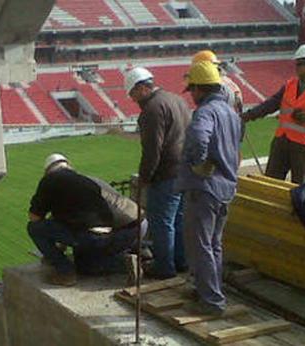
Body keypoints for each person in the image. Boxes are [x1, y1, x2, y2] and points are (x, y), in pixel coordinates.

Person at [178, 61, 242, 315]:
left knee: (200, 246)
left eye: (192, 90)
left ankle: (211, 301)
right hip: (226, 188)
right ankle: (211, 291)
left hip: (205, 189)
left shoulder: (205, 112)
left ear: (199, 88)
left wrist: (197, 163)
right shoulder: (230, 112)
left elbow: (198, 137)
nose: (191, 96)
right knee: (214, 245)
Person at [27, 154, 142, 286]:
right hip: (109, 235)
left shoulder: (49, 181)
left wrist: (53, 251)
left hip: (88, 236)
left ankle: (65, 273)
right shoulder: (86, 181)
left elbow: (34, 217)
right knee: (85, 266)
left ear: (47, 171)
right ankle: (130, 262)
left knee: (34, 228)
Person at [125, 67, 191, 279]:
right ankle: (181, 262)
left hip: (166, 175)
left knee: (162, 223)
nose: (132, 99)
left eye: (133, 94)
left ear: (142, 88)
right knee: (178, 220)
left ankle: (165, 268)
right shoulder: (176, 99)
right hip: (184, 171)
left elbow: (152, 150)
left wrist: (145, 177)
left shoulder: (152, 109)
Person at [241, 44, 305, 184]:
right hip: (282, 140)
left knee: (300, 187)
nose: (296, 67)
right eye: (296, 64)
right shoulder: (290, 84)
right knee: (271, 182)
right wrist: (248, 116)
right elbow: (271, 104)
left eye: (300, 64)